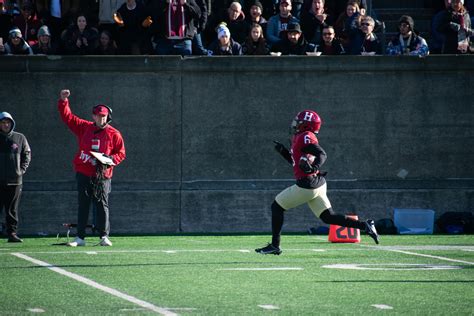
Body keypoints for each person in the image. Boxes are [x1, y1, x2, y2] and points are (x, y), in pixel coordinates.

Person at [255, 110, 379, 255]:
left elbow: (322, 154)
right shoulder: (301, 137)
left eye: (299, 122)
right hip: (317, 183)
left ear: (306, 125)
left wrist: (313, 167)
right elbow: (297, 164)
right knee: (328, 217)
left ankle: (275, 246)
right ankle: (365, 225)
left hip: (308, 184)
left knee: (277, 207)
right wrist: (283, 152)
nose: (295, 124)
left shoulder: (305, 136)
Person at [57, 89, 126, 247]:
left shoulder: (114, 134)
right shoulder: (84, 127)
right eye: (97, 115)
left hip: (103, 175)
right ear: (93, 116)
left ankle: (104, 236)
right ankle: (80, 238)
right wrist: (63, 101)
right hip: (84, 173)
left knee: (102, 204)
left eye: (103, 116)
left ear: (108, 116)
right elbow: (68, 118)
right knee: (83, 204)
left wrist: (109, 160)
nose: (100, 118)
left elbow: (121, 153)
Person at [0, 112, 31, 243]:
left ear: (12, 123)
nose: (5, 125)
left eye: (8, 122)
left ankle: (12, 234)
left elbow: (27, 154)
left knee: (12, 209)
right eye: (2, 122)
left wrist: (21, 170)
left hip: (15, 181)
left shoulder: (20, 138)